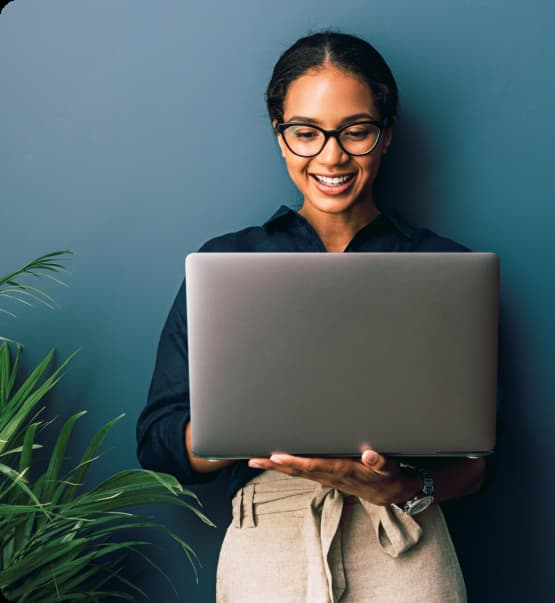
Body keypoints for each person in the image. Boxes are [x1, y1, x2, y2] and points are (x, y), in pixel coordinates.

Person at [136, 31, 486, 602]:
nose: (331, 155)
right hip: (267, 534)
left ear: (386, 134)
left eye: (356, 131)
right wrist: (250, 421)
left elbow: (477, 461)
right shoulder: (227, 264)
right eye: (306, 133)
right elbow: (157, 440)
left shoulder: (443, 269)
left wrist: (397, 485)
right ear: (280, 138)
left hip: (402, 532)